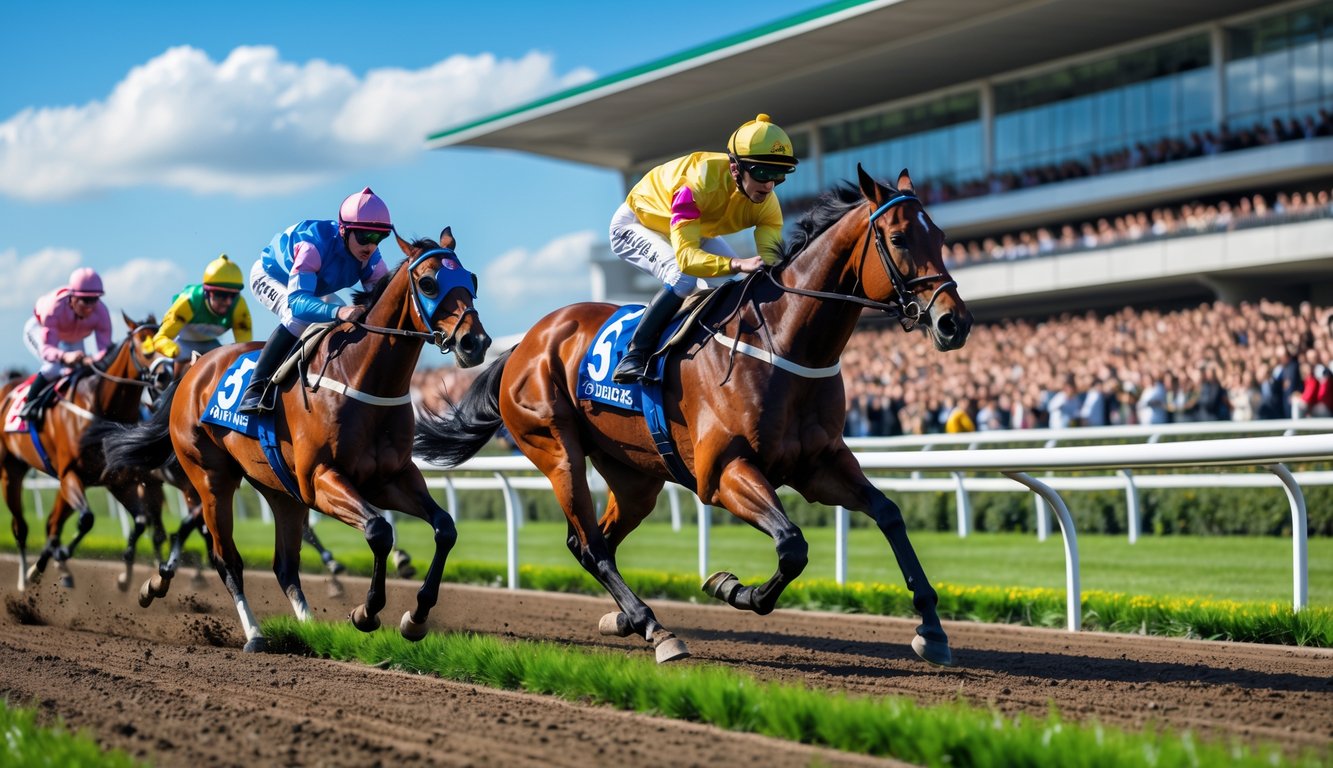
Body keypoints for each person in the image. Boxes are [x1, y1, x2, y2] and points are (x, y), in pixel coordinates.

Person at [609, 113, 797, 383]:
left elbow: (769, 265)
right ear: (735, 169)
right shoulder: (697, 183)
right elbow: (686, 259)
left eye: (779, 174)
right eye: (762, 172)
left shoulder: (767, 203)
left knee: (742, 280)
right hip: (638, 223)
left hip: (696, 228)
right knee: (682, 276)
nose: (769, 185)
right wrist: (736, 263)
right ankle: (635, 354)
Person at [237, 187, 392, 413]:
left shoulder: (371, 259)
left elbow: (382, 304)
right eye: (364, 236)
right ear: (344, 230)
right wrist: (338, 313)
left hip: (312, 287)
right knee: (297, 317)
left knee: (350, 318)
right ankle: (255, 388)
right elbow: (299, 303)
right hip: (270, 276)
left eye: (379, 237)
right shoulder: (313, 247)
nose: (371, 245)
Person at [20, 267, 112, 425]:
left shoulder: (102, 312)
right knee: (53, 368)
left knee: (81, 371)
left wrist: (94, 360)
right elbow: (48, 350)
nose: (90, 306)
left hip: (72, 337)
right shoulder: (54, 308)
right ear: (73, 297)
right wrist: (64, 356)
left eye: (95, 299)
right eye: (85, 300)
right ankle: (29, 405)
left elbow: (105, 350)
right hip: (40, 330)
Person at [147, 254, 253, 370]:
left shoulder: (238, 305)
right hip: (183, 347)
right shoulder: (188, 302)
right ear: (207, 293)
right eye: (221, 295)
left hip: (211, 345)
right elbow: (159, 338)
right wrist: (175, 352)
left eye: (233, 295)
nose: (228, 302)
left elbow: (245, 349)